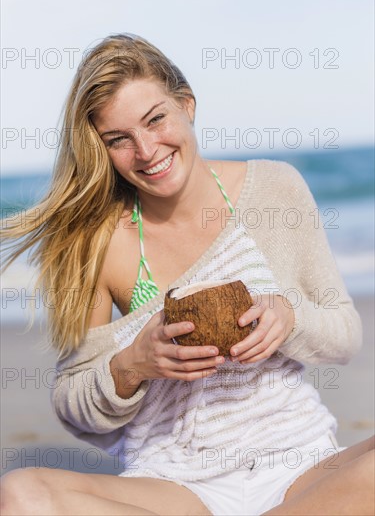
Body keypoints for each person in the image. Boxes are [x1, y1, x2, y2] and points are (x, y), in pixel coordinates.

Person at [0, 33, 373, 516]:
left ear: (186, 105)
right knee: (20, 493)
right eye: (119, 139)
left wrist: (290, 316)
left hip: (300, 469)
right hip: (176, 487)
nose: (147, 149)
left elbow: (345, 336)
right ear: (102, 148)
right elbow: (75, 403)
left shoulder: (275, 189)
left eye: (156, 120)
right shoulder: (96, 242)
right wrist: (132, 364)